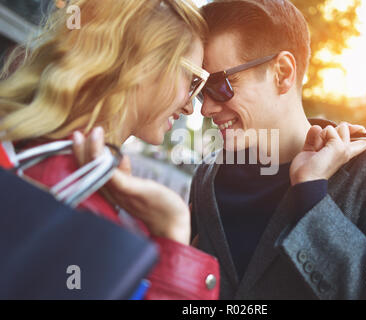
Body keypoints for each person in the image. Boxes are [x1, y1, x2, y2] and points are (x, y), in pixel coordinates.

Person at [189, 0, 366, 299]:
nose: (205, 108)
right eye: (200, 89)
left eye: (220, 85)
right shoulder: (208, 177)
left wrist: (311, 200)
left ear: (282, 73)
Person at [0, 0, 219, 300]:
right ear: (145, 63)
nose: (190, 105)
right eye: (193, 80)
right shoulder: (81, 201)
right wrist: (174, 235)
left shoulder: (27, 147)